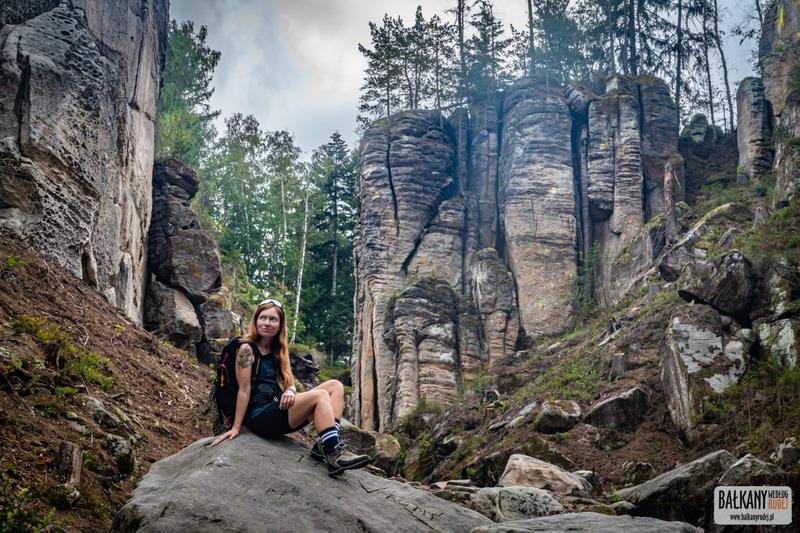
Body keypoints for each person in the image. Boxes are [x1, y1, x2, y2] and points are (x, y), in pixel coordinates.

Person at [211, 299, 371, 476]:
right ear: (255, 321)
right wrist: (236, 427)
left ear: (280, 325)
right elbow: (244, 389)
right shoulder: (247, 349)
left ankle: (324, 445)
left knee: (336, 386)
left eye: (273, 319)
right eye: (262, 318)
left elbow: (291, 384)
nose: (267, 323)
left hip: (278, 408)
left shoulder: (279, 351)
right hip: (258, 416)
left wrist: (290, 390)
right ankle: (334, 452)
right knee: (320, 396)